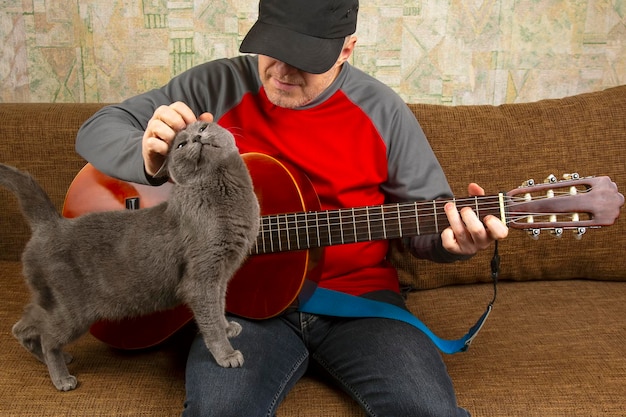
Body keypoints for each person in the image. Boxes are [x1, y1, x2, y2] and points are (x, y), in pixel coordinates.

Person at [76, 0, 508, 415]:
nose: (282, 71)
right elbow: (97, 131)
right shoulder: (214, 86)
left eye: (303, 57)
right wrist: (151, 162)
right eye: (274, 50)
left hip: (359, 304)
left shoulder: (383, 111)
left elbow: (427, 224)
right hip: (242, 307)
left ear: (346, 49)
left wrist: (454, 243)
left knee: (426, 410)